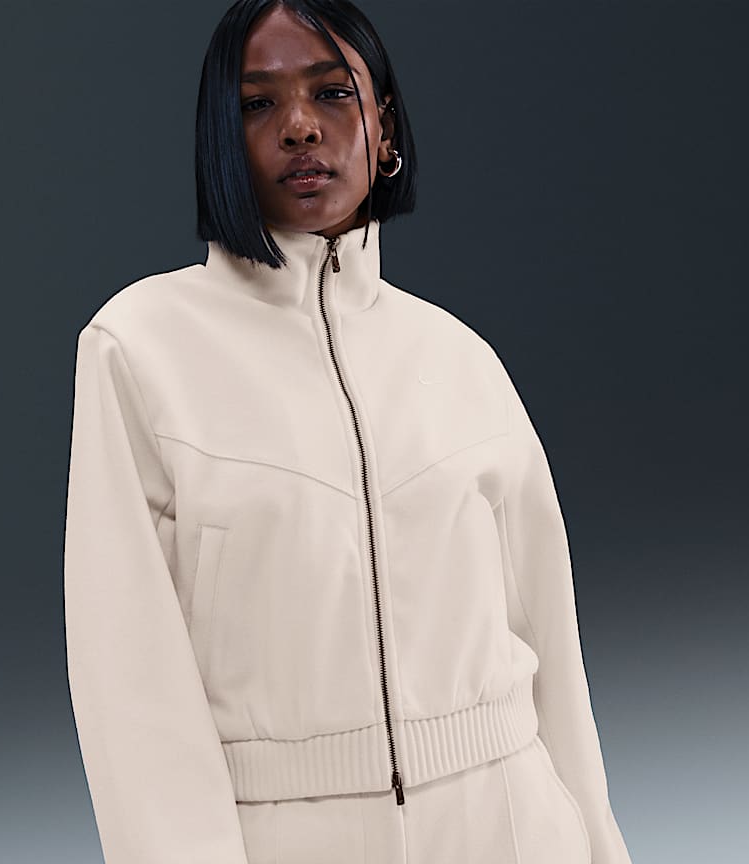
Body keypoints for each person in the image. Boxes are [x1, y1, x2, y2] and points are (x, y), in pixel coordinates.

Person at [62, 1, 634, 862]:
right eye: (257, 103)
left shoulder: (459, 356)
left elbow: (551, 646)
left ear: (384, 127)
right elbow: (130, 680)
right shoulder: (139, 349)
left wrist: (597, 844)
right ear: (219, 138)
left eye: (332, 92)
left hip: (511, 823)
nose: (299, 126)